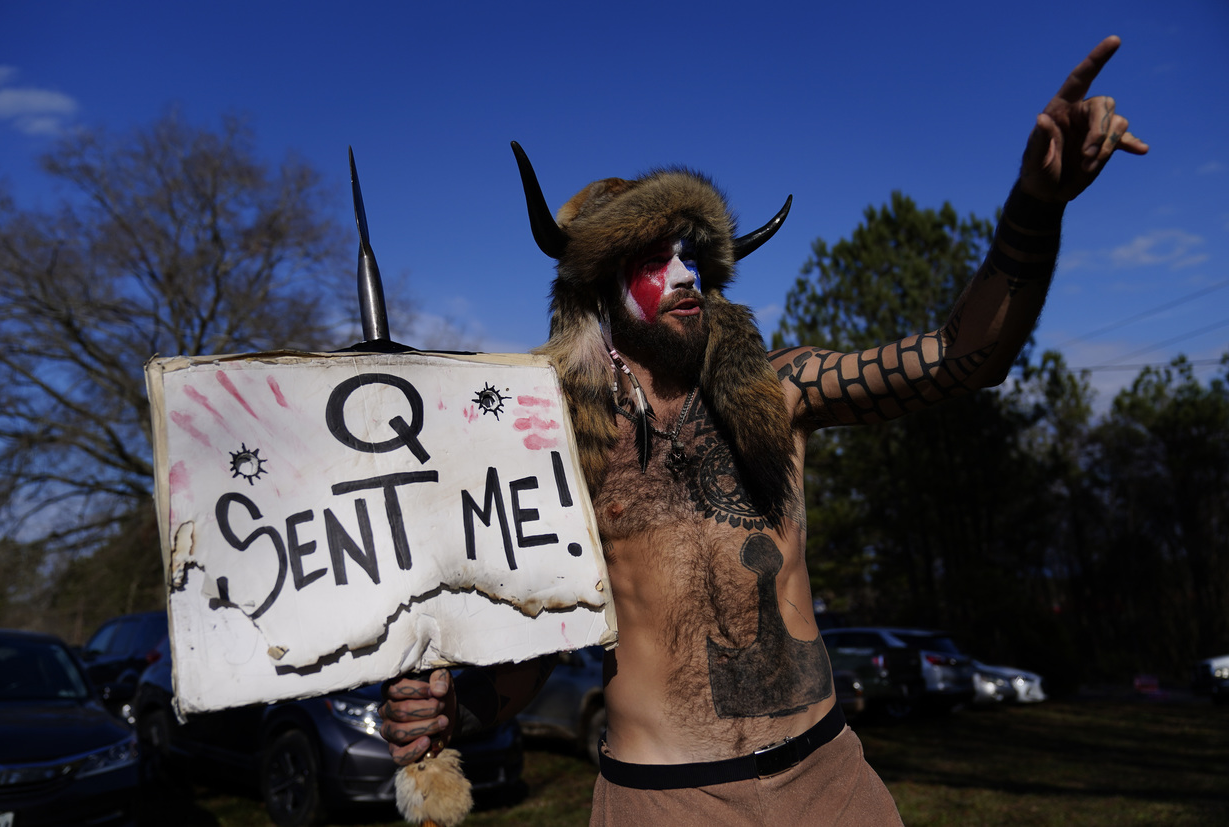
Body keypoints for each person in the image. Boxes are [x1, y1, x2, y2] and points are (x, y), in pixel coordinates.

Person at [379, 36, 1146, 825]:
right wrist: (450, 714)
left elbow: (963, 355)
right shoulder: (563, 446)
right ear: (599, 291)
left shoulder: (780, 389)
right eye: (653, 257)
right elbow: (534, 652)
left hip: (830, 785)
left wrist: (1035, 207)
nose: (686, 277)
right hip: (663, 805)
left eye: (693, 257)